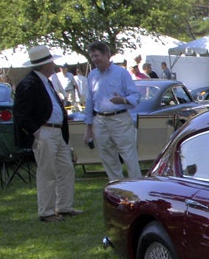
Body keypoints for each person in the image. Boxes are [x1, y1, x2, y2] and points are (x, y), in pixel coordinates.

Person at [13, 45, 81, 222]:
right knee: (47, 172)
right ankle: (47, 211)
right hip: (44, 131)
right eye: (51, 62)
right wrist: (36, 132)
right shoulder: (28, 84)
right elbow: (21, 114)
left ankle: (64, 206)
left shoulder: (46, 82)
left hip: (57, 132)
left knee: (65, 169)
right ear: (44, 65)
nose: (53, 65)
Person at [83, 41, 143, 182]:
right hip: (100, 121)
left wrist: (123, 100)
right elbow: (89, 102)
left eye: (97, 55)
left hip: (120, 119)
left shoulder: (121, 73)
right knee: (107, 156)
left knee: (128, 154)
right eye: (92, 57)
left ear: (106, 55)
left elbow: (135, 96)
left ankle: (137, 186)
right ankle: (117, 187)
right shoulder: (92, 76)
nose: (95, 59)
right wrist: (88, 128)